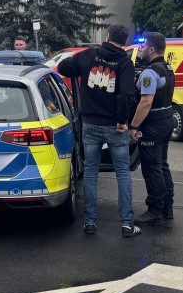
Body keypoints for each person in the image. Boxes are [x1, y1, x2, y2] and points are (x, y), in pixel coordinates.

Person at [58, 23, 142, 238]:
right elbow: (125, 95)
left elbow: (64, 68)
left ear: (107, 36)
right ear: (123, 41)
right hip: (115, 125)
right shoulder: (124, 62)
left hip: (90, 123)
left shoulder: (90, 55)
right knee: (122, 173)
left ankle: (90, 223)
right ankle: (126, 224)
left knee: (91, 172)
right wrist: (123, 121)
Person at [129, 32, 176, 226]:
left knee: (151, 167)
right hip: (166, 120)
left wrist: (134, 126)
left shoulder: (150, 72)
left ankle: (155, 210)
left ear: (151, 49)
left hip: (153, 124)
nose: (140, 50)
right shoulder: (167, 68)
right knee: (162, 164)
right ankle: (167, 206)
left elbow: (146, 102)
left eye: (142, 47)